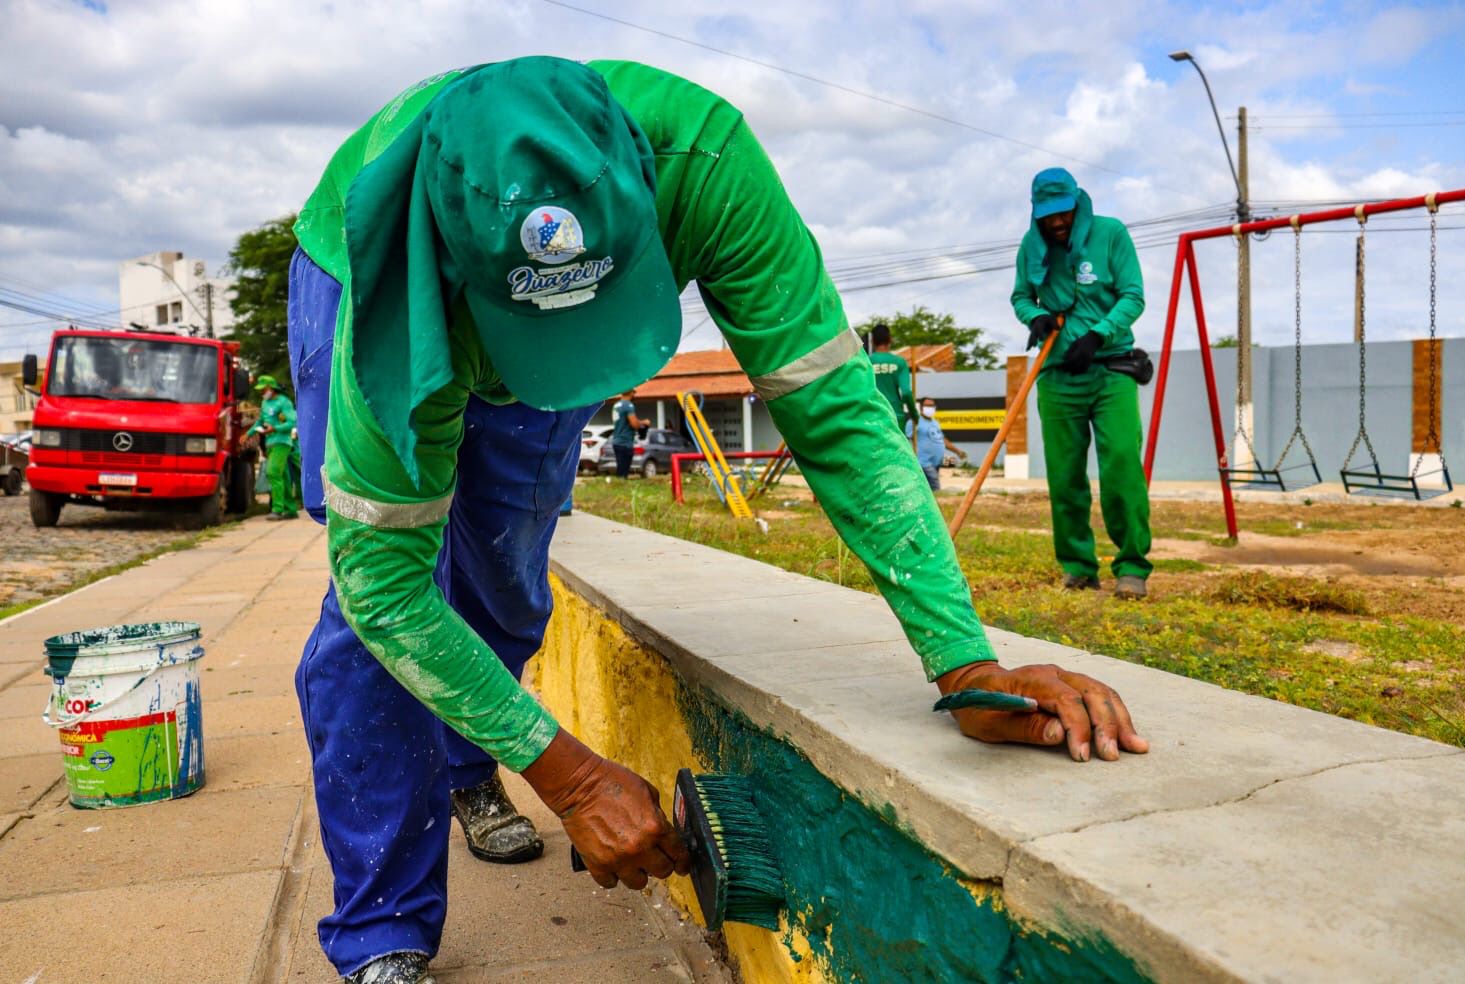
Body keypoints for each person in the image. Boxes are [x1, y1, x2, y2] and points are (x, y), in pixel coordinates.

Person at [287, 58, 1148, 984]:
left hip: (545, 273)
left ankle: (465, 766)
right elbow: (387, 587)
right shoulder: (399, 280)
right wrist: (571, 777)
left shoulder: (709, 166)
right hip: (375, 275)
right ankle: (383, 929)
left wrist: (965, 662)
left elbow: (841, 419)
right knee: (370, 616)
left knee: (503, 568)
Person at [1010, 167, 1152, 600]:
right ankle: (1078, 567)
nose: (1057, 223)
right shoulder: (1031, 248)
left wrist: (1098, 334)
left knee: (1122, 466)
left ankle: (1131, 567)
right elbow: (1020, 296)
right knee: (1065, 476)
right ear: (1037, 214)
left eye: (1063, 213)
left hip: (1110, 372)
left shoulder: (1110, 234)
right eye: (1048, 216)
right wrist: (1033, 315)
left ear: (1077, 204)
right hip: (1056, 377)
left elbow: (1134, 295)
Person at [251, 374, 299, 520]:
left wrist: (275, 428)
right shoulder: (265, 403)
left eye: (263, 389)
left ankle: (277, 509)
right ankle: (291, 510)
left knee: (272, 473)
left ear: (271, 388)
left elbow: (293, 422)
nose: (262, 392)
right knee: (282, 475)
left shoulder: (283, 402)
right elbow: (259, 421)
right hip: (270, 443)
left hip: (282, 442)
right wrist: (248, 433)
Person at [909, 397, 967, 492]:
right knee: (935, 485)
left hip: (936, 463)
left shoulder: (935, 423)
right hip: (923, 462)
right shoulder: (914, 422)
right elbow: (907, 439)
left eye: (932, 406)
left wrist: (958, 452)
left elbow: (942, 440)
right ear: (921, 407)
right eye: (927, 405)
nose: (930, 408)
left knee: (927, 489)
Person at [867, 323, 919, 429]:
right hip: (895, 416)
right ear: (890, 339)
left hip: (872, 416)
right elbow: (906, 393)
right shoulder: (899, 362)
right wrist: (915, 416)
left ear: (872, 341)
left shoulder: (866, 362)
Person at [611, 387, 649, 478]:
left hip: (616, 439)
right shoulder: (628, 405)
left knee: (620, 467)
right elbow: (634, 424)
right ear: (631, 393)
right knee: (624, 469)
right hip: (625, 441)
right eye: (633, 393)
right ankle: (621, 485)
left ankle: (619, 484)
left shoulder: (616, 405)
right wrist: (644, 423)